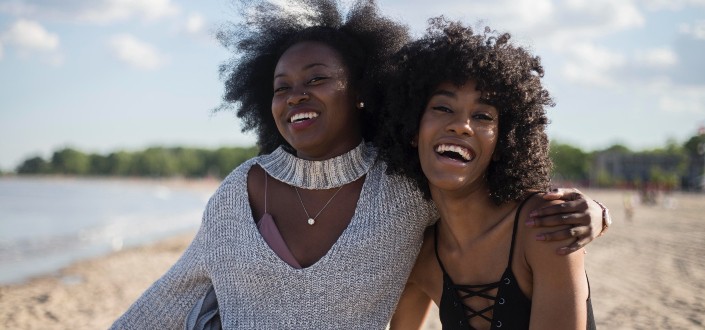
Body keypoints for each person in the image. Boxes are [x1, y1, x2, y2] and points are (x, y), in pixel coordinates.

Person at [111, 1, 607, 329]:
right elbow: (171, 297)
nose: (296, 94)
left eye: (317, 78)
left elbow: (482, 193)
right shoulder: (237, 193)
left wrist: (594, 210)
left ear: (364, 94)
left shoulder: (402, 187)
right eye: (281, 87)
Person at [378, 18, 597, 329]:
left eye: (482, 116)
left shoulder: (544, 227)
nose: (461, 125)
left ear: (503, 140)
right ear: (413, 128)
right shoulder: (423, 256)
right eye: (442, 107)